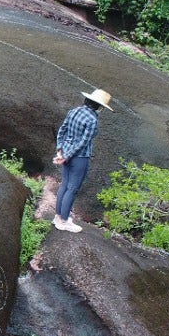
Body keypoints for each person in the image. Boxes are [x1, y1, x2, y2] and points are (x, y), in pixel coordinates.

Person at [53, 89, 114, 232]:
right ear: (99, 106)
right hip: (79, 158)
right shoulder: (92, 120)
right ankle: (63, 221)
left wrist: (60, 150)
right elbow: (83, 143)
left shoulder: (74, 111)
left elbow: (62, 130)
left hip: (66, 153)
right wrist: (67, 156)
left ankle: (58, 217)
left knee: (64, 185)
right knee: (72, 188)